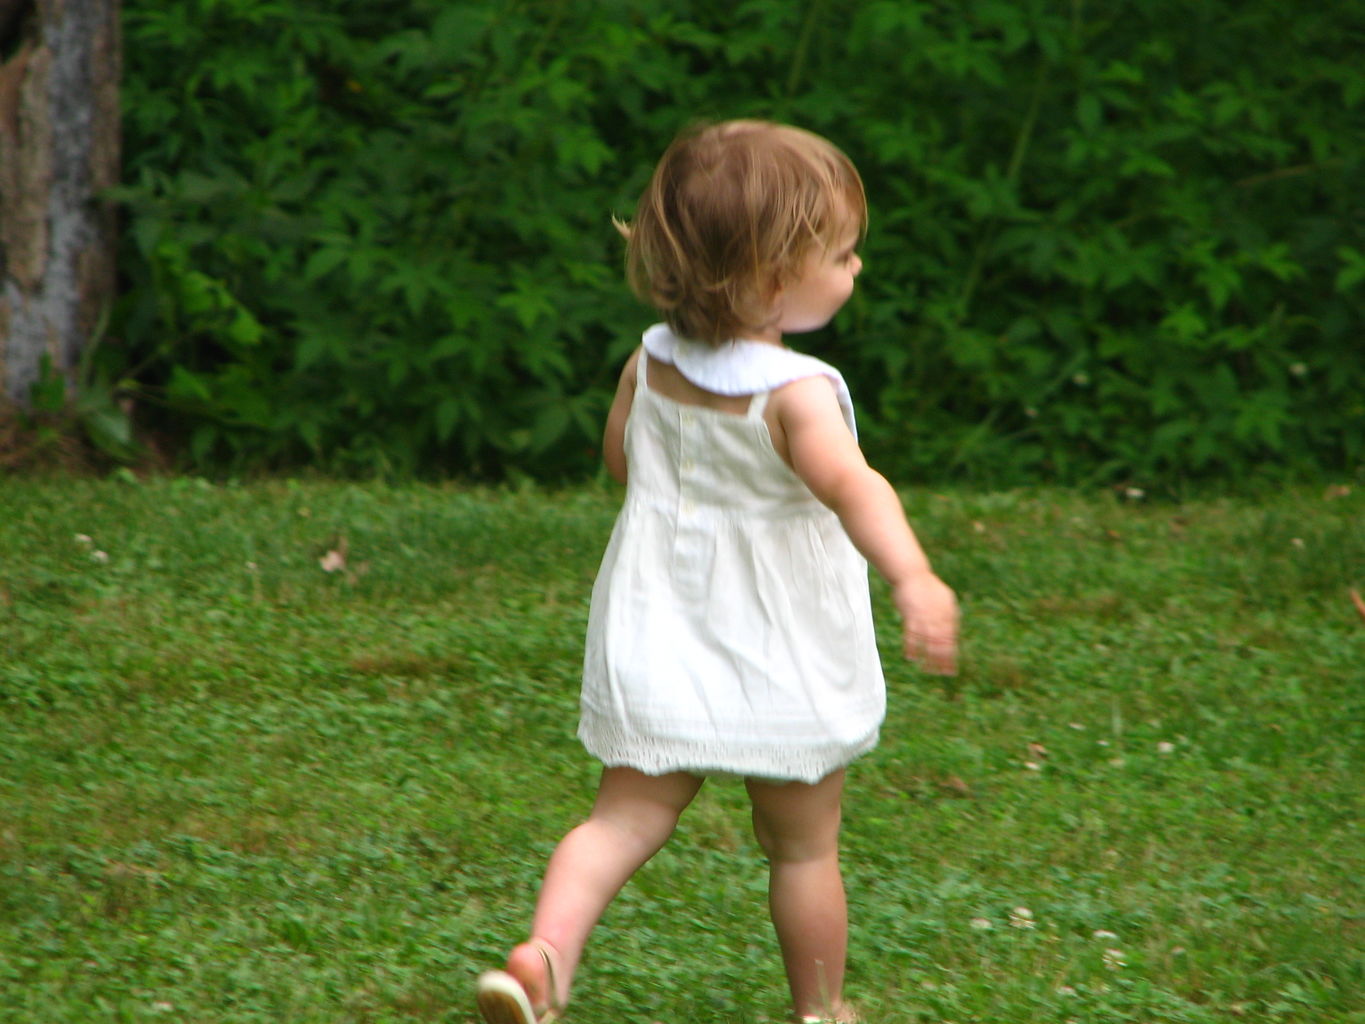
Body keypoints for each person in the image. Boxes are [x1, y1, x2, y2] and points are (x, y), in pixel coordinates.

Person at [476, 120, 959, 1024]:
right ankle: (820, 1011)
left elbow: (622, 462)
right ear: (773, 278)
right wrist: (912, 575)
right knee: (803, 851)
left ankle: (544, 957)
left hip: (663, 625)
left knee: (618, 821)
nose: (857, 269)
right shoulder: (797, 393)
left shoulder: (649, 360)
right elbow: (855, 489)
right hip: (784, 646)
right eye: (844, 254)